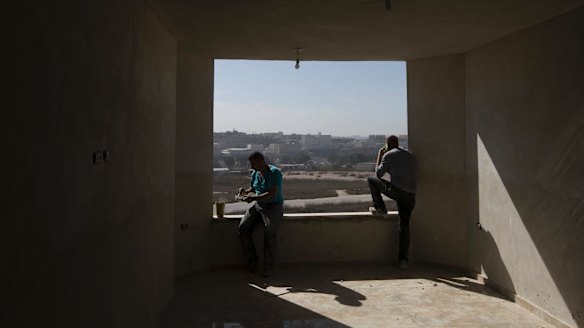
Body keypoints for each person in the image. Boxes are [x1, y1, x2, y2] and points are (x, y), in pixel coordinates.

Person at [367, 135, 417, 270]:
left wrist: (380, 155)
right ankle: (403, 260)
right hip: (411, 195)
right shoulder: (408, 155)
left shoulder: (388, 155)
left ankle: (381, 208)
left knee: (371, 180)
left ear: (387, 145)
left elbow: (378, 174)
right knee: (404, 227)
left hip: (399, 191)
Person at [236, 152, 284, 277]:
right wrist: (245, 192)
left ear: (261, 161)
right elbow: (253, 187)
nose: (252, 166)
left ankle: (267, 266)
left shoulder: (274, 173)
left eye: (254, 163)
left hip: (273, 206)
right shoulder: (255, 173)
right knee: (243, 228)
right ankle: (251, 260)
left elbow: (272, 193)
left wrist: (254, 198)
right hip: (258, 205)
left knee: (269, 231)